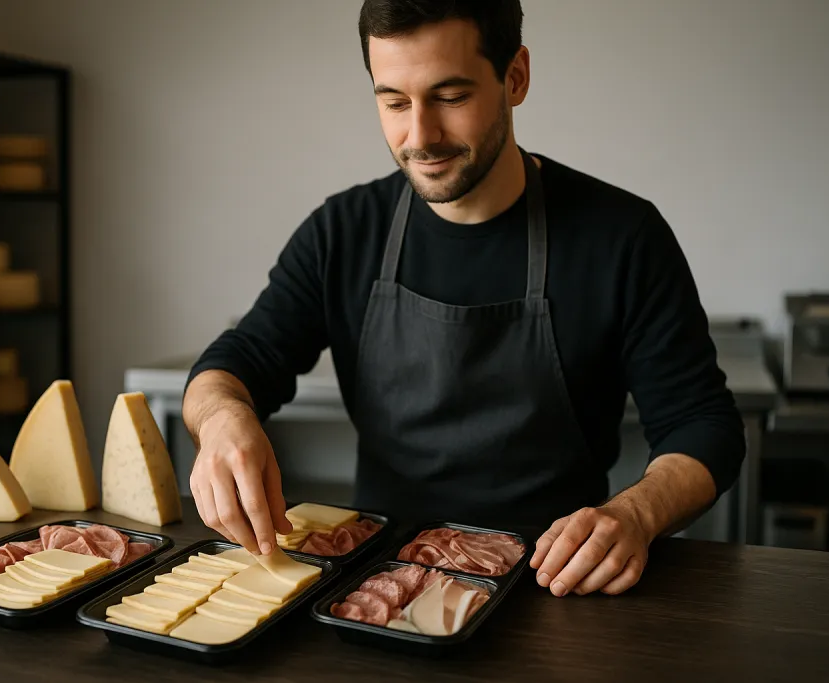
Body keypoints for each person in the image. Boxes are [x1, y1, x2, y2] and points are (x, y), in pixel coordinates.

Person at [181, 0, 745, 597]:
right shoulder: (342, 232)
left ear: (516, 77)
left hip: (553, 581)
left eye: (450, 97)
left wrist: (636, 513)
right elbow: (240, 360)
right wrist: (223, 419)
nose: (419, 137)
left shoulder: (621, 236)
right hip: (376, 585)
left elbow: (702, 425)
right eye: (394, 101)